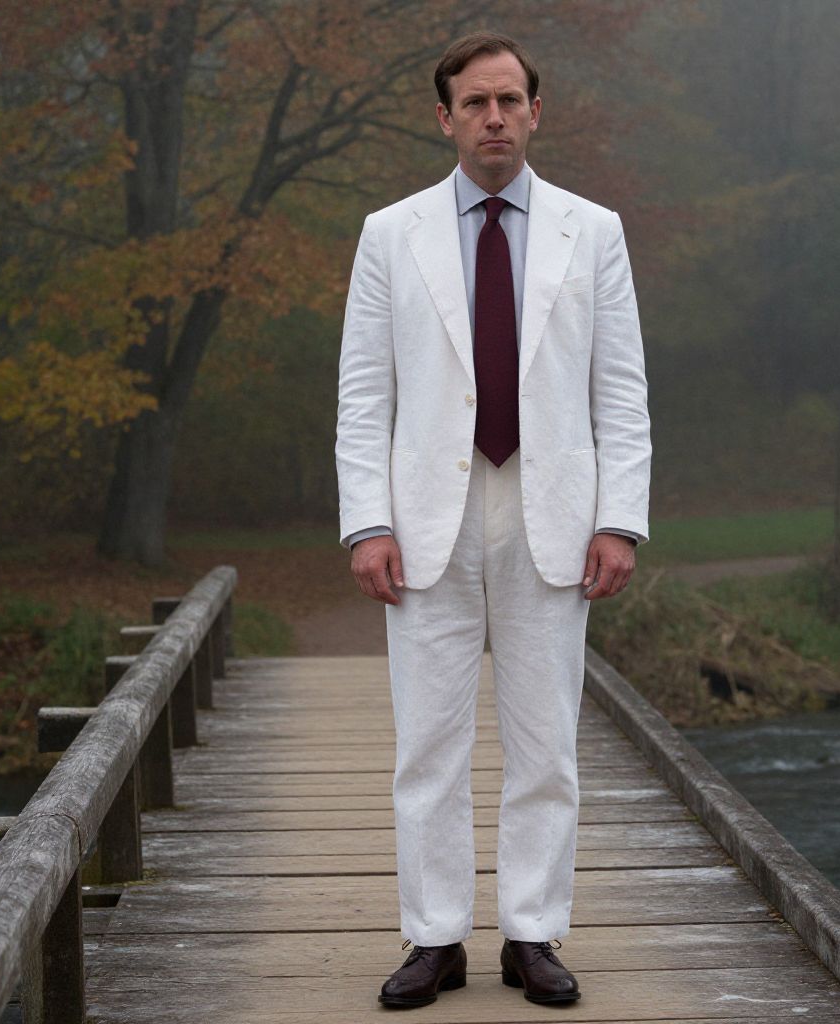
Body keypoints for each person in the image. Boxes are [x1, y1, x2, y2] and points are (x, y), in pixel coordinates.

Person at [335, 30, 651, 1009]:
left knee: (545, 740)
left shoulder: (591, 232)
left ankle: (531, 933)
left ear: (535, 110)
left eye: (510, 100)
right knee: (426, 743)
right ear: (444, 116)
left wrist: (620, 520)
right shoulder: (391, 234)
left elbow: (622, 392)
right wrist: (365, 522)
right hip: (427, 512)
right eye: (474, 103)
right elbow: (361, 394)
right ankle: (433, 938)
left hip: (551, 509)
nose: (494, 117)